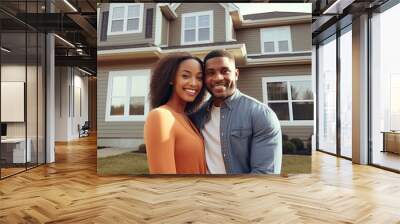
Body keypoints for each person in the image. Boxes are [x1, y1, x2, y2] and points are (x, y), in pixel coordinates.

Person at [190, 50, 282, 174]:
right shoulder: (197, 115)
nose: (217, 78)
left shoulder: (260, 115)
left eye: (225, 71)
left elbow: (264, 175)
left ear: (236, 74)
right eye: (210, 73)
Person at [144, 53, 207, 174]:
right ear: (171, 79)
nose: (194, 83)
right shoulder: (160, 116)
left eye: (199, 78)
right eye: (185, 76)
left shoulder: (188, 119)